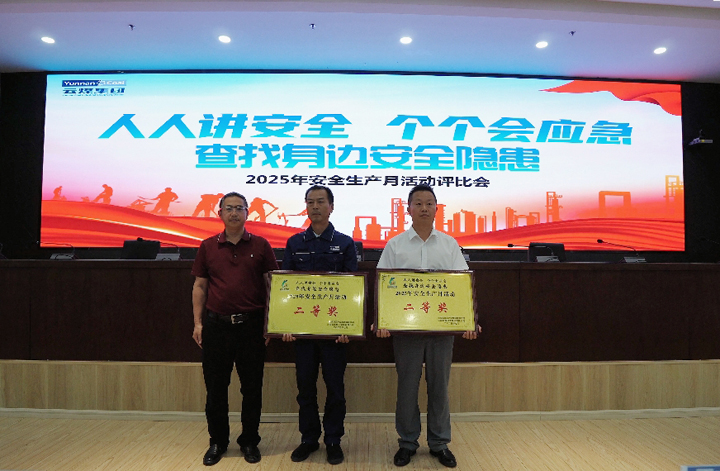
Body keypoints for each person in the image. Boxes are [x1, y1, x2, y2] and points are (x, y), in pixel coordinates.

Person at [375, 184, 480, 469]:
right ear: (408, 209)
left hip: (441, 331)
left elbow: (462, 286)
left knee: (439, 387)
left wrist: (469, 321)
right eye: (418, 203)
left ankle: (439, 443)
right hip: (406, 330)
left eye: (429, 203)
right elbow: (383, 285)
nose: (424, 208)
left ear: (436, 208)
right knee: (407, 387)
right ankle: (407, 442)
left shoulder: (449, 244)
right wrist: (382, 320)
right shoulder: (395, 245)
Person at [191, 191, 279, 466]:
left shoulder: (261, 245)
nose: (233, 213)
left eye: (239, 208)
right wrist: (198, 323)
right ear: (219, 213)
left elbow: (271, 285)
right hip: (216, 327)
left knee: (251, 389)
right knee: (216, 389)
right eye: (228, 208)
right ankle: (217, 441)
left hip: (251, 327)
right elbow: (200, 286)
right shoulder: (208, 246)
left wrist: (271, 324)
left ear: (247, 213)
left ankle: (249, 441)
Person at [281, 185, 358, 465]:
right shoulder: (294, 243)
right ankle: (309, 439)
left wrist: (348, 328)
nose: (315, 206)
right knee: (305, 388)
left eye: (320, 202)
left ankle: (333, 440)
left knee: (335, 389)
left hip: (334, 333)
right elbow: (285, 288)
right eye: (310, 202)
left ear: (331, 207)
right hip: (302, 332)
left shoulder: (345, 243)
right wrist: (285, 324)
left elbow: (352, 290)